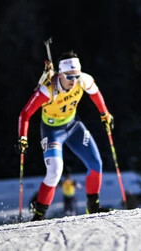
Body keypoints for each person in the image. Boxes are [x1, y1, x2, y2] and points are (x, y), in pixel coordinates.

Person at [18, 51, 115, 220]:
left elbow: (96, 94)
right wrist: (23, 137)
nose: (74, 81)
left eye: (76, 76)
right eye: (69, 77)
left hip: (74, 126)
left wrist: (105, 114)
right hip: (52, 131)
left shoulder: (83, 80)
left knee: (96, 163)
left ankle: (93, 206)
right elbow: (25, 114)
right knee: (55, 172)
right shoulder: (47, 90)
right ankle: (39, 215)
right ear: (60, 74)